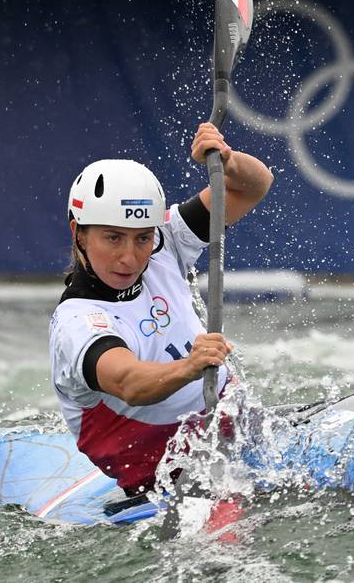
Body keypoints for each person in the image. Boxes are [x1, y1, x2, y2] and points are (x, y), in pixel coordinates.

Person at [48, 123, 273, 497]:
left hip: (241, 433)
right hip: (172, 479)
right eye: (112, 238)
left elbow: (253, 185)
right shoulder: (79, 323)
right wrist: (190, 366)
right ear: (78, 232)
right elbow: (129, 383)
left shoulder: (164, 240)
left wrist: (228, 162)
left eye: (142, 238)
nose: (130, 256)